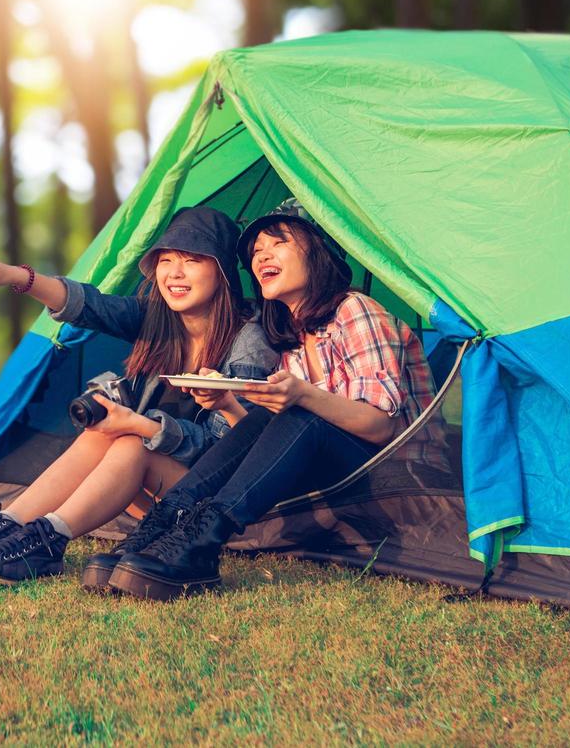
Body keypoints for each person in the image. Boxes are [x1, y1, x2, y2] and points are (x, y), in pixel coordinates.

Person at [0, 206, 279, 586]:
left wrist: (139, 424)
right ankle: (8, 525)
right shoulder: (158, 320)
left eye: (191, 260)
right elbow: (87, 305)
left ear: (221, 271)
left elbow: (229, 447)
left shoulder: (249, 339)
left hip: (214, 505)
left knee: (131, 442)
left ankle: (48, 541)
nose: (174, 273)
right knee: (104, 433)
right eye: (166, 259)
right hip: (161, 497)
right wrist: (15, 277)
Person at [106, 200, 440, 601]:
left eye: (277, 243)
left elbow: (381, 427)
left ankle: (203, 541)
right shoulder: (292, 336)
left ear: (318, 251)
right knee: (271, 414)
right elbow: (267, 436)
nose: (260, 255)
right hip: (336, 480)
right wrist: (228, 400)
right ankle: (165, 523)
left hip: (403, 484)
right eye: (255, 252)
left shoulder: (356, 310)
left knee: (300, 411)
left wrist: (302, 395)